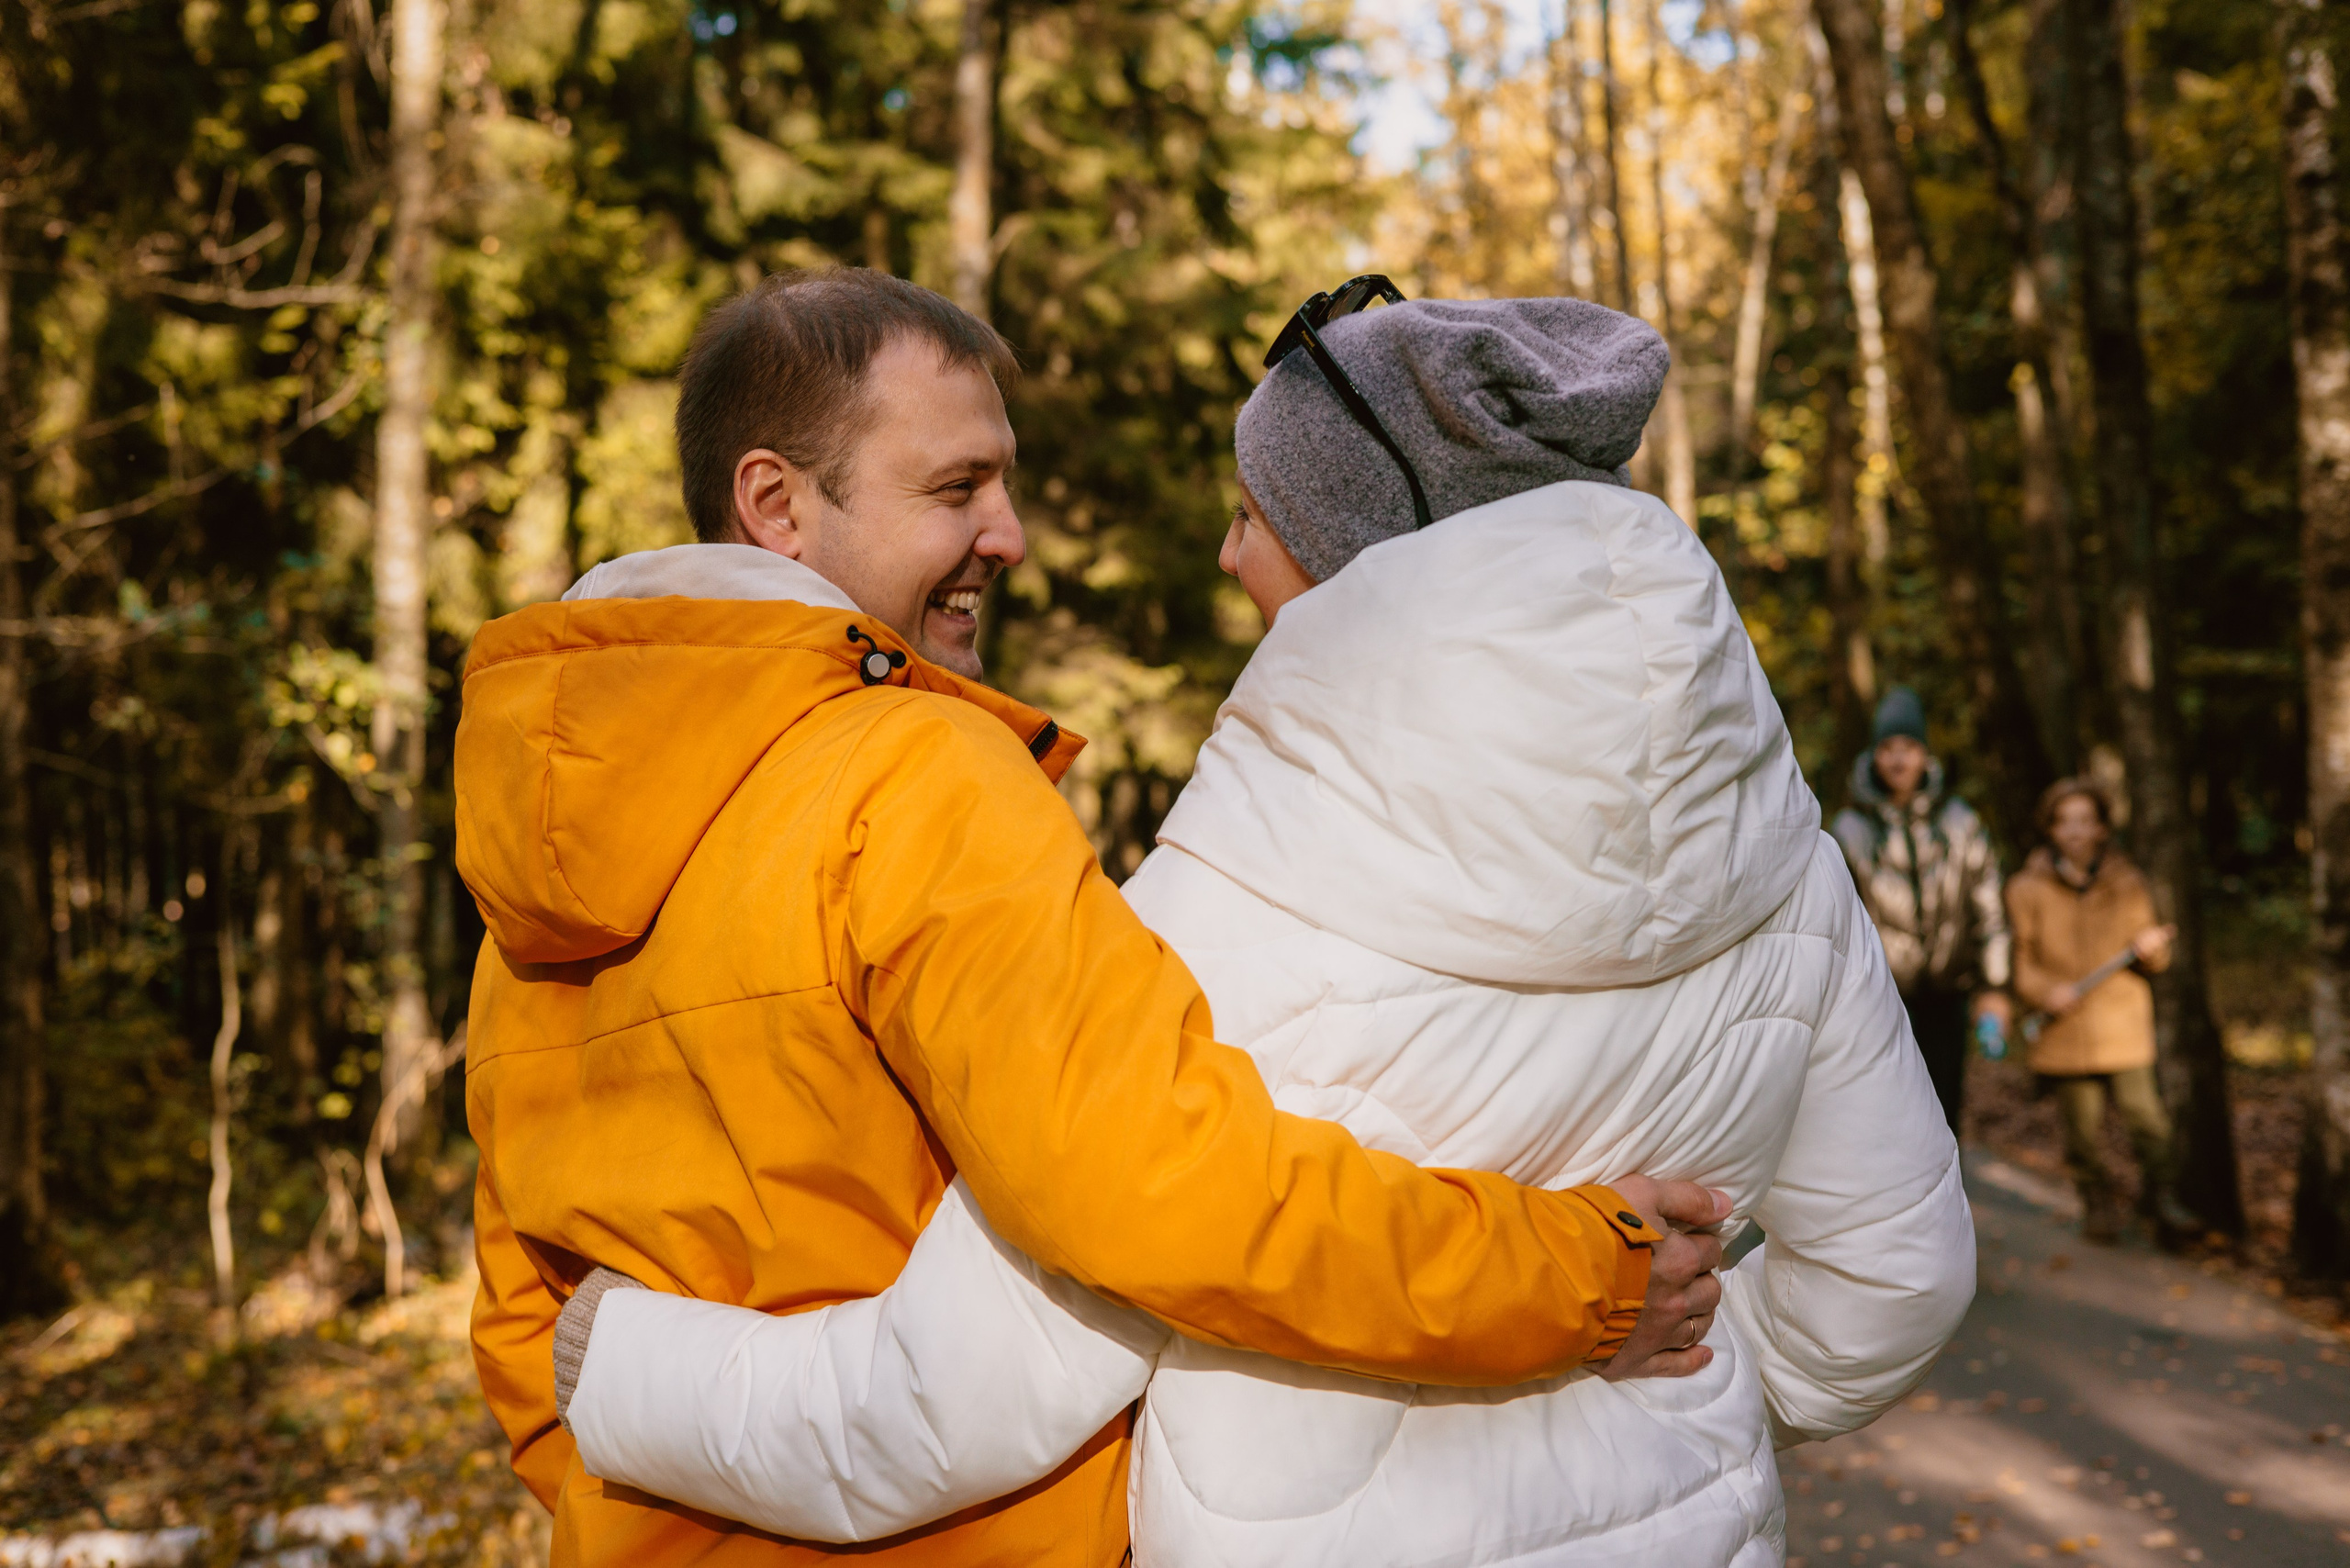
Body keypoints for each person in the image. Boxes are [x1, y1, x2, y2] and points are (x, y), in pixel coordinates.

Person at [543, 289, 1975, 1567]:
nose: (1229, 557)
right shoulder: (1776, 835)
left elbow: (966, 1395)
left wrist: (629, 1369)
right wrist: (1701, 1408)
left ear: (1360, 548)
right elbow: (1899, 1278)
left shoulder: (1240, 894)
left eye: (1252, 513)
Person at [2006, 778, 2192, 1245]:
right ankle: (2097, 1205)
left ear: (2102, 829)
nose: (2075, 831)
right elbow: (2020, 963)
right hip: (2065, 1030)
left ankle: (2162, 1200)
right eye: (2064, 821)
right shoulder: (2025, 889)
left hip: (2122, 1024)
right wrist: (2046, 993)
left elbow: (2157, 954)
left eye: (2085, 821)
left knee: (2147, 1119)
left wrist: (2151, 949)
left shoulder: (2127, 882)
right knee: (2082, 1133)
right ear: (2050, 829)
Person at [1831, 686, 2012, 1133]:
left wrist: (1995, 987)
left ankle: (1946, 1202)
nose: (1898, 760)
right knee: (1888, 1119)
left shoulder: (1960, 822)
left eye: (1908, 748)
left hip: (1947, 998)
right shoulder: (1849, 829)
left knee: (1944, 1116)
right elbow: (1836, 921)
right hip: (1880, 1001)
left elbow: (1989, 910)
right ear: (1873, 756)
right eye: (1887, 748)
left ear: (1926, 756)